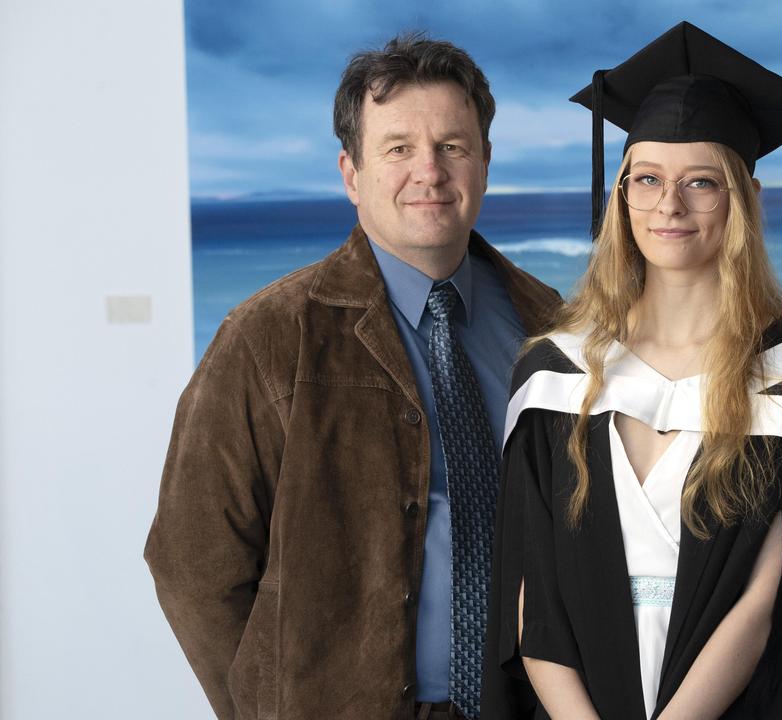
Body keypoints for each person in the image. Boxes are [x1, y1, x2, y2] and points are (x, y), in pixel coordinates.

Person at [144, 33, 559, 720]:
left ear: (485, 161)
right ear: (351, 173)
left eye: (452, 146)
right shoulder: (267, 337)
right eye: (398, 149)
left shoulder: (554, 327)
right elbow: (192, 565)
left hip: (530, 706)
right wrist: (267, 707)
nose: (429, 172)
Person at [482, 22, 782, 720]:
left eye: (701, 183)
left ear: (744, 197)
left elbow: (767, 603)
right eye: (647, 179)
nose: (669, 205)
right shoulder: (556, 372)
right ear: (622, 193)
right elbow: (531, 600)